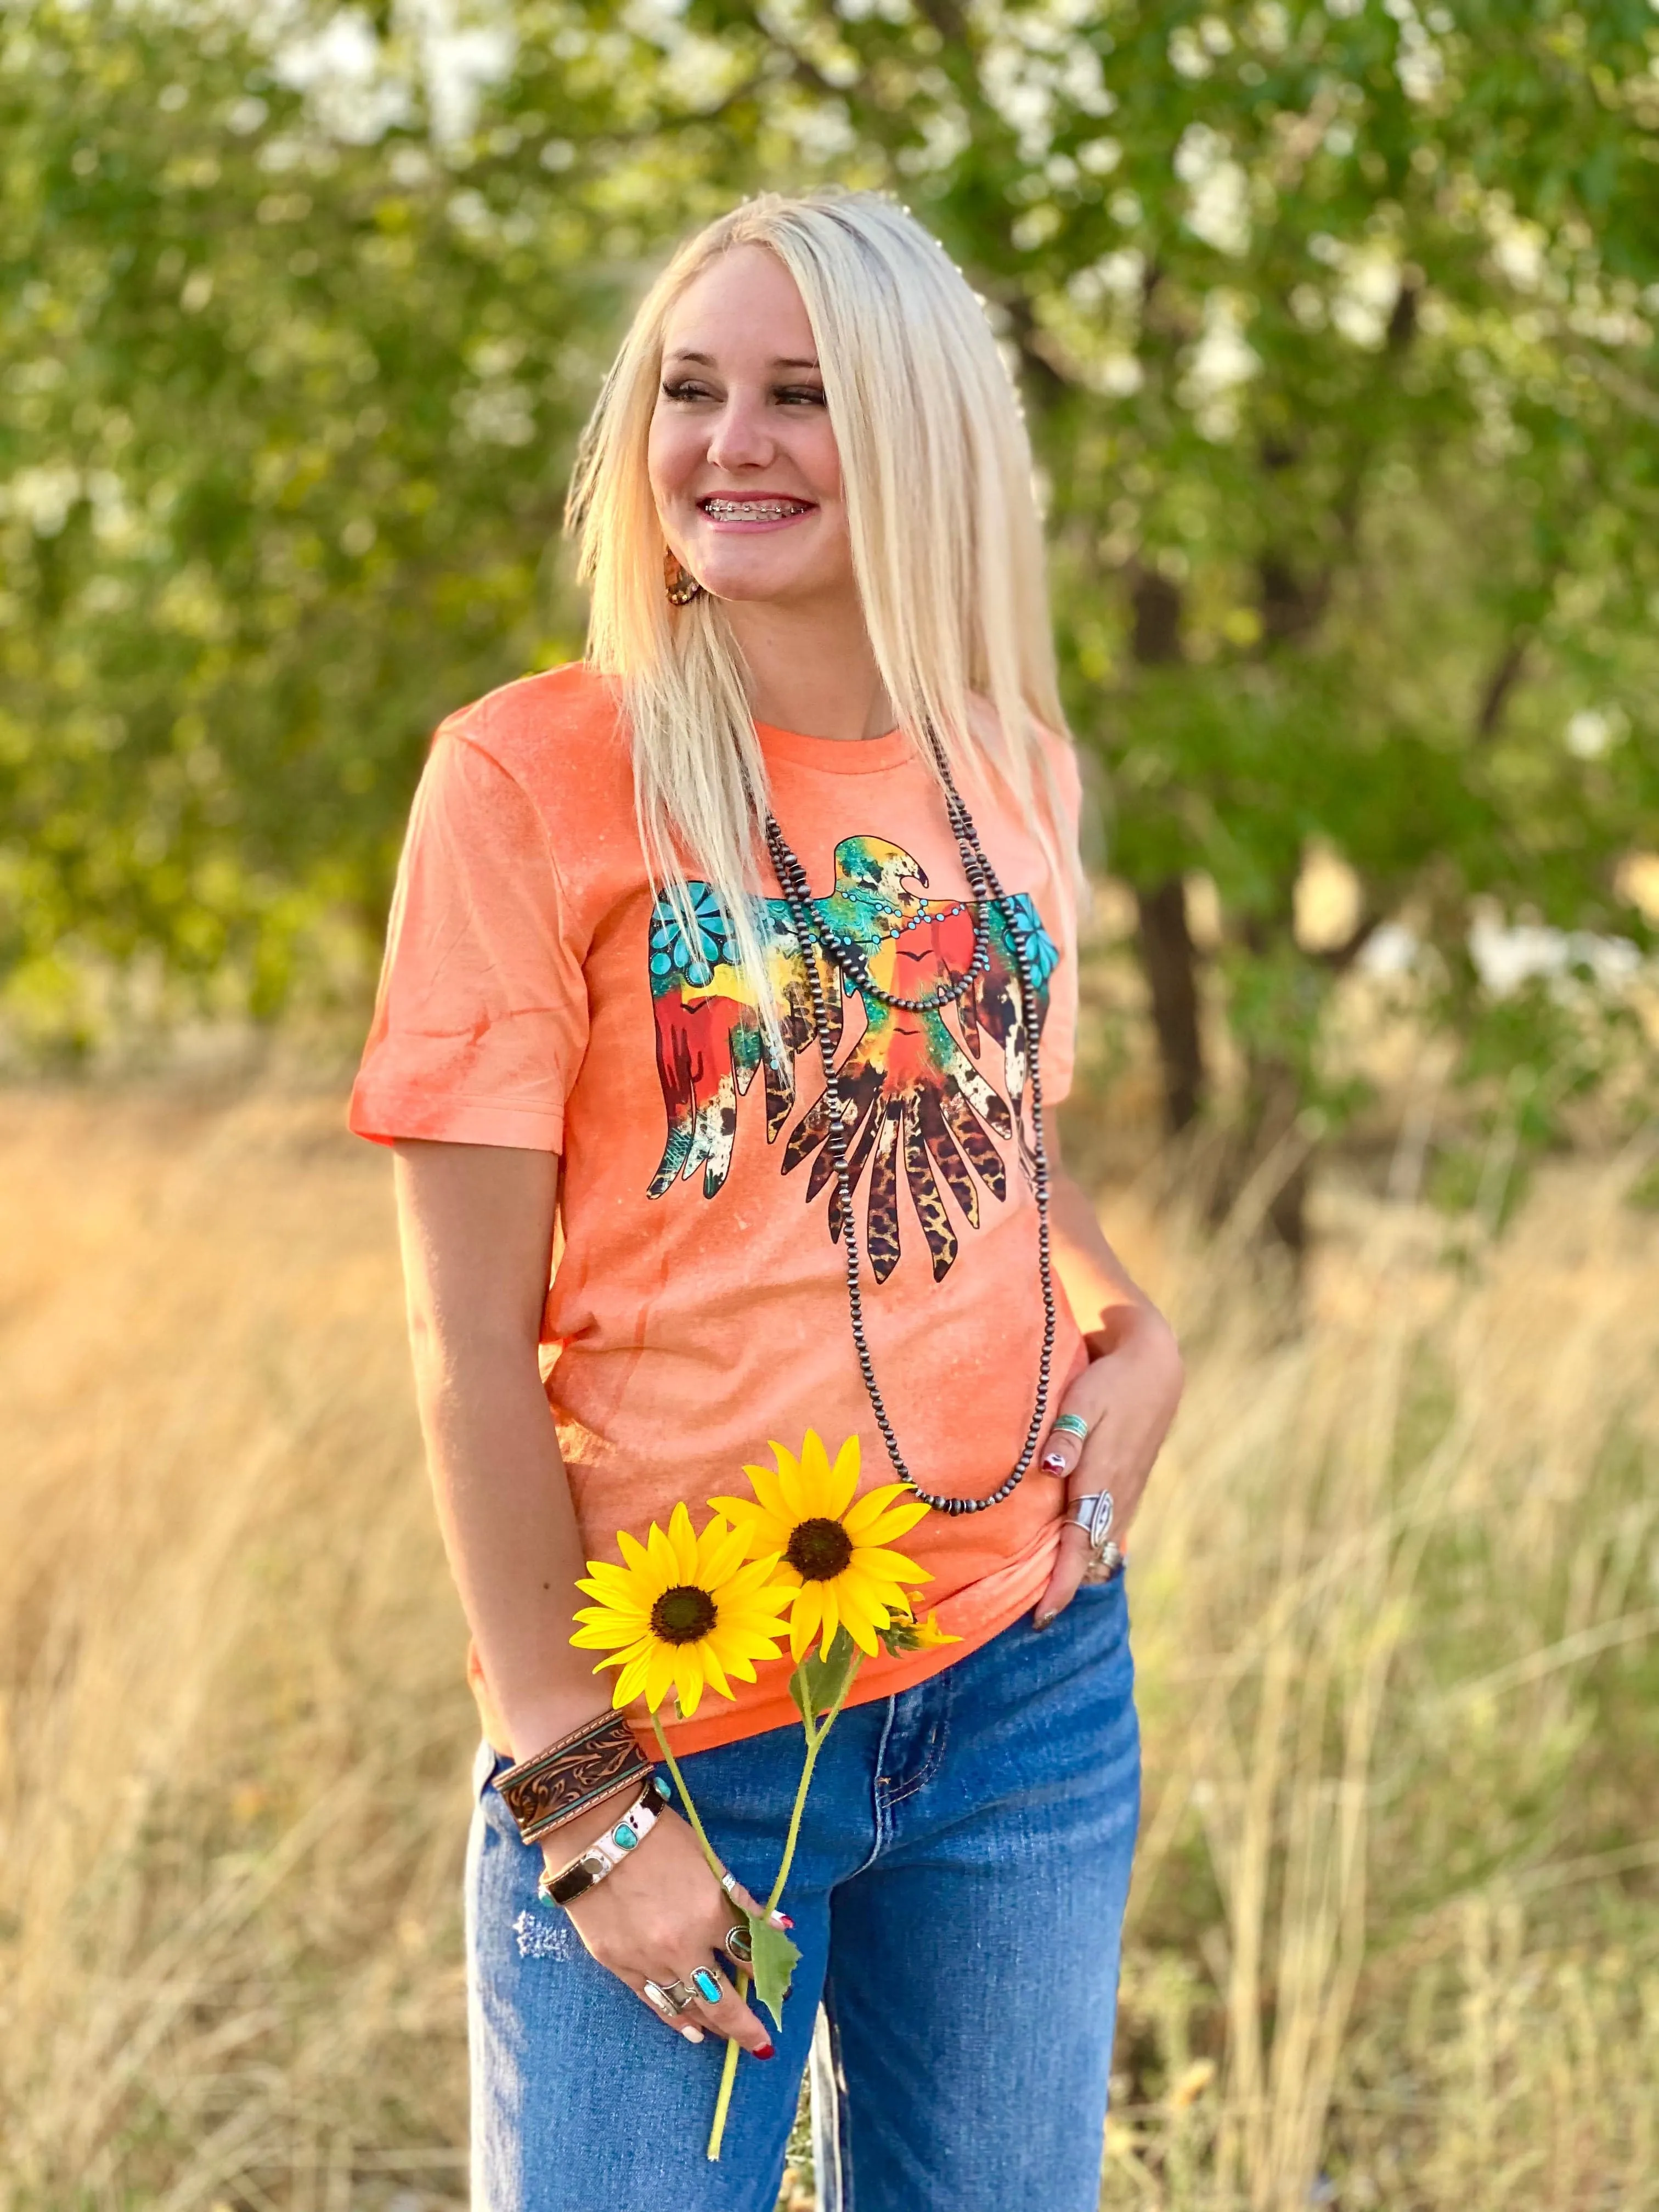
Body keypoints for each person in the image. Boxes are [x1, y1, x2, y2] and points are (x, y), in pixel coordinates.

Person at [348, 190, 1182, 2212]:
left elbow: (1000, 1150)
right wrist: (582, 1788)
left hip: (1025, 1689)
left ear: (918, 436)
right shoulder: (531, 780)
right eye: (691, 390)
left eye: (802, 396)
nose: (734, 443)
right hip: (674, 1712)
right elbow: (465, 1354)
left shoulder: (1012, 768)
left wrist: (1139, 1329)